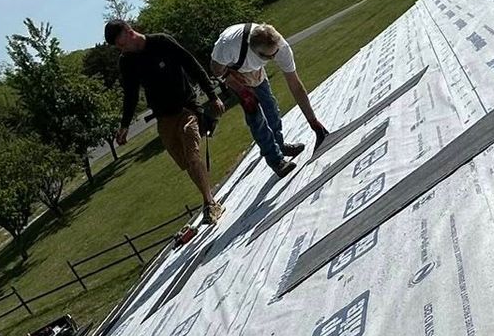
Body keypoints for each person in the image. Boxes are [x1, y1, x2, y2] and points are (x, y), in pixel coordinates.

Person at [106, 20, 227, 226]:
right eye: (118, 47)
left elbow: (191, 64)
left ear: (128, 31)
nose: (121, 49)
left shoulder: (161, 42)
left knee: (193, 156)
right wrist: (125, 125)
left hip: (186, 108)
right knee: (186, 162)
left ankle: (209, 203)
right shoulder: (126, 61)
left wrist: (212, 95)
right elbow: (130, 94)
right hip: (163, 118)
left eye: (121, 44)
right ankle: (208, 197)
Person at [211, 21, 332, 177]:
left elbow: (295, 85)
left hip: (254, 69)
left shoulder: (281, 47)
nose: (274, 58)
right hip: (234, 72)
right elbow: (216, 69)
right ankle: (276, 161)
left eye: (275, 53)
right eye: (269, 56)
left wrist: (314, 123)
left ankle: (280, 146)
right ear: (254, 50)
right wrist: (240, 89)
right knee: (255, 114)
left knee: (271, 107)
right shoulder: (229, 46)